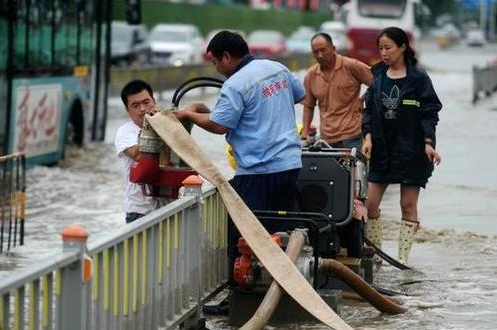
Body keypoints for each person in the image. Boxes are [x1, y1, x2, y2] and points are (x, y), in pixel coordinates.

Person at [173, 30, 305, 266]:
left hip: (258, 171)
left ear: (226, 56)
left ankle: (244, 288)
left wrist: (187, 115)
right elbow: (298, 94)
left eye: (215, 62)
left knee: (246, 237)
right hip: (290, 165)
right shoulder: (277, 68)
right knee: (282, 232)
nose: (216, 69)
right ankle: (286, 281)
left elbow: (218, 125)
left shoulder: (235, 84)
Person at [361, 27, 442, 265]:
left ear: (403, 47)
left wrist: (428, 143)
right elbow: (368, 112)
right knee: (371, 204)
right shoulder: (377, 76)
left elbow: (429, 112)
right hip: (382, 149)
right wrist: (368, 138)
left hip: (411, 150)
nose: (384, 53)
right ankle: (376, 257)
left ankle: (402, 260)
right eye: (381, 49)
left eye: (388, 48)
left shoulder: (418, 78)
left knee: (407, 205)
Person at [301, 32, 373, 149]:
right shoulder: (311, 75)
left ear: (333, 48)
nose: (320, 55)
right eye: (315, 52)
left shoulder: (351, 66)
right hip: (326, 138)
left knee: (353, 167)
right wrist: (305, 132)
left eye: (323, 50)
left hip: (351, 136)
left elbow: (378, 83)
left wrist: (363, 99)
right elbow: (308, 106)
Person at [114, 80, 168, 224]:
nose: (143, 109)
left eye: (146, 102)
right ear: (127, 110)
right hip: (140, 211)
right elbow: (139, 155)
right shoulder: (125, 132)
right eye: (135, 105)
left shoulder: (167, 123)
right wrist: (151, 126)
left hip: (170, 207)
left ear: (154, 101)